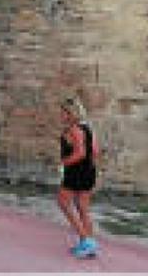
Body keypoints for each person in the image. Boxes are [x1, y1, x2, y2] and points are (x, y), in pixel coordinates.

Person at [57, 95, 101, 259]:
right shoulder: (88, 128)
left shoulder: (74, 129)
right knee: (83, 209)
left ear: (70, 113)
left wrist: (64, 162)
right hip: (88, 171)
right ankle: (89, 246)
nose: (61, 115)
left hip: (75, 172)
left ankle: (86, 240)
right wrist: (93, 171)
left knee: (62, 203)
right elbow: (95, 151)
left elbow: (80, 153)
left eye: (63, 112)